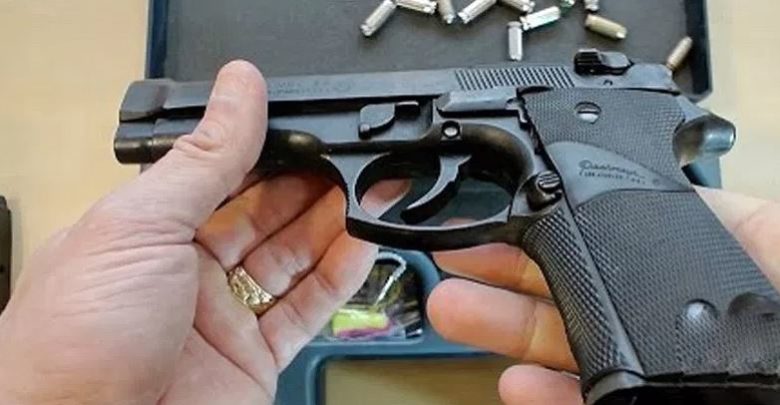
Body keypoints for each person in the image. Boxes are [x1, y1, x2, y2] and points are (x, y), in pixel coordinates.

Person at [0, 61, 777, 405]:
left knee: (703, 358)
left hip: (577, 113)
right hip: (572, 112)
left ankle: (715, 358)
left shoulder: (560, 116)